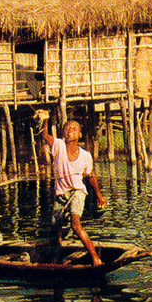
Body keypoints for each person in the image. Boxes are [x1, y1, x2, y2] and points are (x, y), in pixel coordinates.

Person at [37, 112, 108, 266]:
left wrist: (99, 195)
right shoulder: (58, 145)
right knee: (55, 231)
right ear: (63, 133)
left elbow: (90, 176)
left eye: (74, 129)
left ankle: (95, 258)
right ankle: (56, 260)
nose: (70, 130)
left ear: (80, 134)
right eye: (67, 129)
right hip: (61, 194)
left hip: (77, 192)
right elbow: (45, 136)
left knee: (75, 224)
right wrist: (45, 120)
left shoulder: (85, 155)